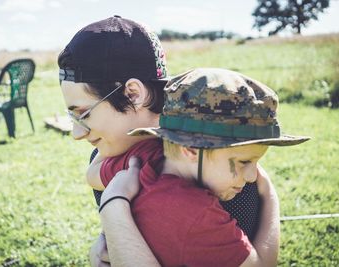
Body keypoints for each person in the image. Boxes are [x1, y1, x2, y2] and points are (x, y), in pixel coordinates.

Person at [57, 16, 271, 265]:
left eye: (84, 114)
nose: (77, 133)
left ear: (133, 94)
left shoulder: (217, 178)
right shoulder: (124, 154)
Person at [98, 68, 310, 266]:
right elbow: (263, 264)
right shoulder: (197, 215)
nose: (254, 176)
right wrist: (270, 196)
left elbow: (93, 172)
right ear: (190, 149)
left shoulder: (142, 158)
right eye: (244, 162)